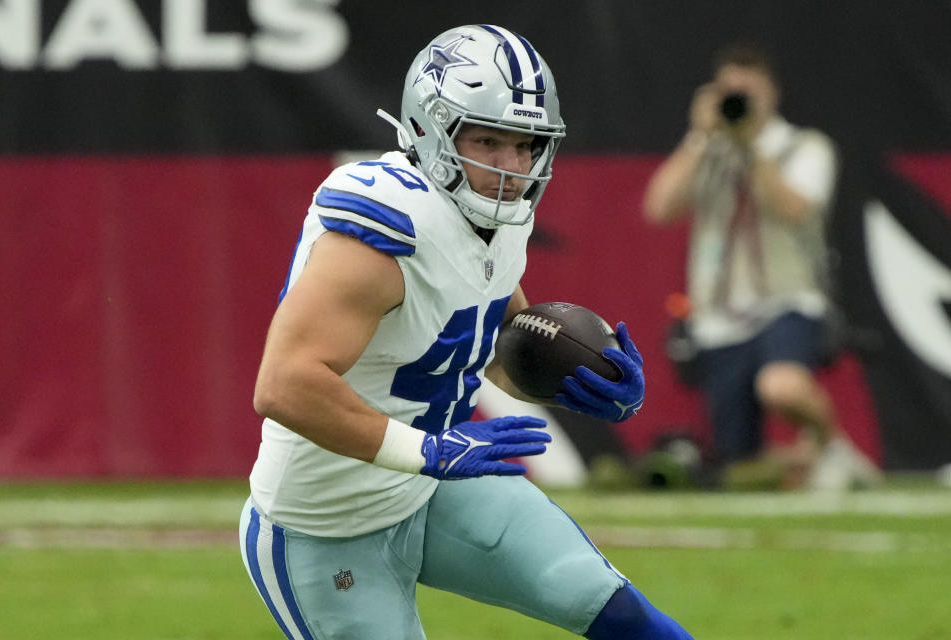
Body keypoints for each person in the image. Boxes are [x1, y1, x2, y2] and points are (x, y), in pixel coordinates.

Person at [239, 24, 693, 640]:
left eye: (526, 144)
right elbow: (284, 386)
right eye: (488, 141)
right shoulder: (385, 229)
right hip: (324, 525)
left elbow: (496, 346)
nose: (509, 167)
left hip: (430, 489)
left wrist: (580, 380)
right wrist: (427, 450)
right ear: (431, 129)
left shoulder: (499, 215)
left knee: (619, 615)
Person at [642, 44, 880, 490]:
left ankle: (831, 443)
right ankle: (816, 458)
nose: (739, 101)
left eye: (748, 92)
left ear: (771, 92)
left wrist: (751, 146)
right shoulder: (707, 149)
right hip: (717, 315)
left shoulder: (805, 147)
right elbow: (658, 208)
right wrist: (699, 136)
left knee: (782, 385)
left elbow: (792, 209)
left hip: (785, 298)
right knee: (737, 464)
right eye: (730, 92)